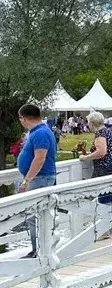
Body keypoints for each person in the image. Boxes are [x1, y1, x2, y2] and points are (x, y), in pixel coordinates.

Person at [16, 103, 58, 259]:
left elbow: (40, 158)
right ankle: (38, 250)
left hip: (40, 178)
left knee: (35, 217)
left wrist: (26, 181)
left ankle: (38, 251)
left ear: (26, 118)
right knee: (36, 216)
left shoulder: (40, 133)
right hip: (40, 177)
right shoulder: (39, 131)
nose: (20, 122)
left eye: (20, 119)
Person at [79, 113, 112, 239]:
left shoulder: (100, 134)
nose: (87, 125)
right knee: (111, 196)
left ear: (92, 123)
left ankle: (104, 231)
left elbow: (102, 152)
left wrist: (86, 157)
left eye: (88, 122)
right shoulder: (109, 132)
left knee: (103, 198)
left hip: (105, 168)